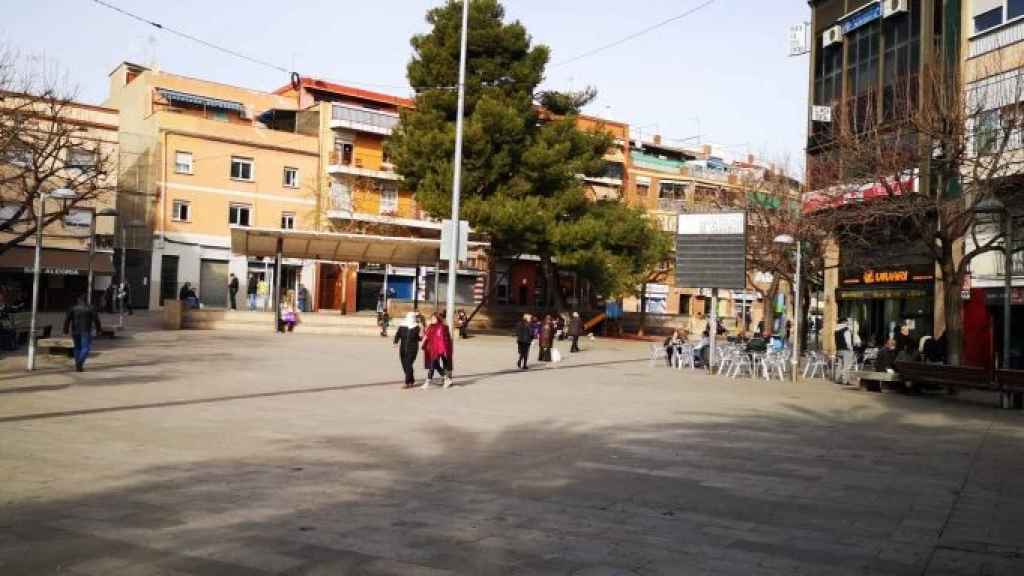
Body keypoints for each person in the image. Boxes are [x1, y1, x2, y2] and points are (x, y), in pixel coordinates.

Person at [63, 295, 102, 372]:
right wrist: (98, 330)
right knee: (86, 348)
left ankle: (78, 364)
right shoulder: (91, 308)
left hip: (75, 331)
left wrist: (65, 330)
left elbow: (67, 320)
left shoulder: (73, 308)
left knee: (77, 347)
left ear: (78, 301)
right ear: (86, 300)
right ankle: (80, 363)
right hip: (86, 330)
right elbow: (96, 320)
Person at [421, 313, 453, 388]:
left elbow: (444, 339)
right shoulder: (430, 327)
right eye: (431, 318)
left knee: (432, 365)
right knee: (435, 365)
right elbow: (426, 336)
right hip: (432, 349)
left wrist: (445, 350)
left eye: (434, 318)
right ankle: (447, 379)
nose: (432, 320)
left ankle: (427, 382)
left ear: (438, 319)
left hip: (439, 350)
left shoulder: (442, 327)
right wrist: (423, 343)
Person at [393, 312, 421, 389]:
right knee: (404, 365)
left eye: (412, 317)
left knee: (408, 364)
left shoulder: (416, 327)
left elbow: (418, 338)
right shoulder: (402, 326)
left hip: (412, 349)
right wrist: (395, 342)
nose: (411, 319)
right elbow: (398, 334)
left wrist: (422, 337)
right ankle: (411, 380)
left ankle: (407, 382)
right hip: (403, 348)